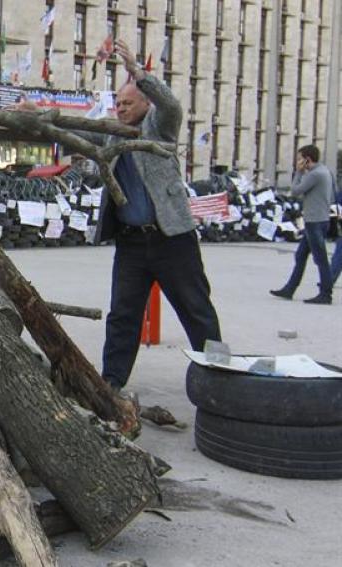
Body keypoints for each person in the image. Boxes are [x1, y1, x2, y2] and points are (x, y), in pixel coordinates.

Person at [35, 40, 221, 391]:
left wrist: (138, 72)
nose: (120, 108)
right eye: (117, 103)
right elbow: (75, 131)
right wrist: (35, 115)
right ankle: (112, 382)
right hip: (132, 245)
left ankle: (223, 378)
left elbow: (171, 103)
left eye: (127, 102)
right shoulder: (110, 135)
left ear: (144, 104)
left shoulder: (161, 126)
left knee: (197, 311)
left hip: (173, 239)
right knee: (123, 316)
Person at [269, 145, 334, 305]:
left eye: (300, 159)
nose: (298, 162)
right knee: (300, 255)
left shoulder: (315, 174)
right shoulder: (325, 171)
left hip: (314, 221)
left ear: (307, 159)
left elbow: (295, 191)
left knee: (321, 259)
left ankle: (326, 293)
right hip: (320, 219)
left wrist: (298, 172)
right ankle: (289, 289)